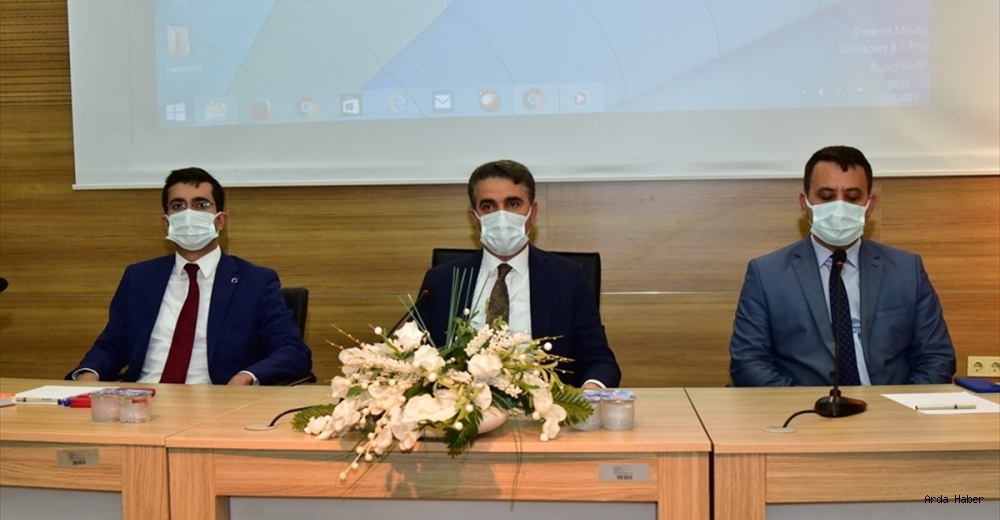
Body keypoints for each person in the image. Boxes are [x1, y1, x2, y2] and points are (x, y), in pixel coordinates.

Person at [729, 146, 955, 387]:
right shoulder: (766, 275)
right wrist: (805, 405)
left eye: (852, 197)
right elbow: (748, 361)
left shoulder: (906, 271)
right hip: (803, 405)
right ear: (804, 204)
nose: (839, 208)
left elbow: (936, 357)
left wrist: (898, 405)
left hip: (887, 404)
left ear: (870, 206)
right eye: (826, 197)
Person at [68, 167, 312, 385]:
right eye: (178, 206)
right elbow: (112, 345)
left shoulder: (255, 282)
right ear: (167, 223)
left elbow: (293, 351)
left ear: (220, 221)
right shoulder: (139, 277)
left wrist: (245, 377)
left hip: (216, 402)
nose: (188, 213)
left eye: (201, 205)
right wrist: (89, 374)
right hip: (141, 400)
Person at [415, 160, 621, 389]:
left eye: (512, 204)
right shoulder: (441, 281)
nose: (501, 216)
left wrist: (588, 394)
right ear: (475, 218)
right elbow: (412, 357)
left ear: (532, 213)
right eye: (488, 206)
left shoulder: (568, 278)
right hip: (463, 407)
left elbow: (600, 361)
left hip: (546, 407)